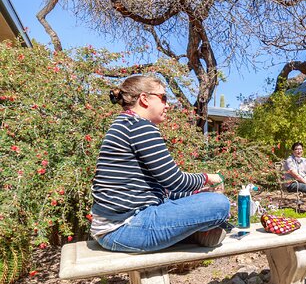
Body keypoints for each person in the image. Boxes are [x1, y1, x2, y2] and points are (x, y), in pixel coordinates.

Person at [90, 75, 231, 252]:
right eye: (163, 97)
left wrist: (195, 193)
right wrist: (207, 178)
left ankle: (192, 231)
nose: (167, 104)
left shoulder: (125, 123)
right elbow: (174, 181)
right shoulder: (140, 126)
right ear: (144, 99)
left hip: (117, 226)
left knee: (201, 198)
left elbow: (160, 191)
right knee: (219, 205)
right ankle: (195, 231)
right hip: (123, 229)